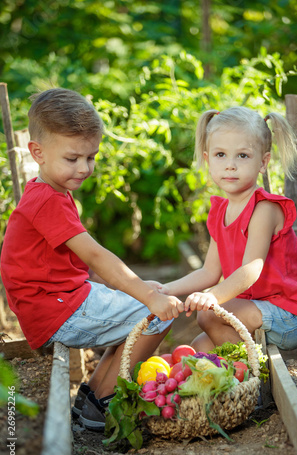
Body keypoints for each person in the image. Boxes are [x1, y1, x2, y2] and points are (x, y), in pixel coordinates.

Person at [0, 88, 184, 431]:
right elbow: (97, 256)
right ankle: (103, 403)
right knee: (154, 317)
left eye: (91, 157)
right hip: (56, 309)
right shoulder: (48, 201)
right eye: (73, 158)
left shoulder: (49, 191)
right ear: (37, 152)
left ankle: (91, 399)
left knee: (144, 303)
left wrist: (143, 289)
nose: (85, 167)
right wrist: (148, 296)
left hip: (58, 300)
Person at [156, 106, 297, 353]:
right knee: (198, 350)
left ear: (263, 162)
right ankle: (237, 382)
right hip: (254, 308)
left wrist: (213, 296)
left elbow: (252, 268)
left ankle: (256, 378)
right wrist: (167, 288)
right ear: (208, 160)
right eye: (220, 155)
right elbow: (209, 272)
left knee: (207, 316)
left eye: (242, 156)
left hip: (287, 314)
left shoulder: (264, 209)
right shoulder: (220, 212)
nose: (230, 165)